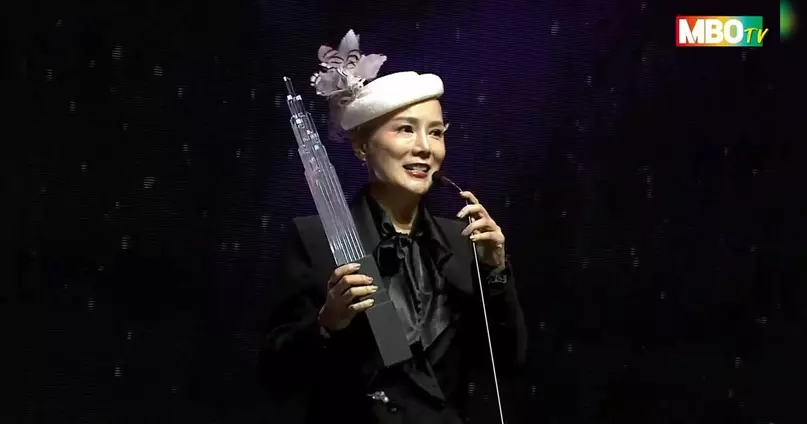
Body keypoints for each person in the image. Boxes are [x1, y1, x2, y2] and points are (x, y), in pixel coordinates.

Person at [260, 29, 527, 424]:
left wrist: (496, 270)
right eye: (405, 129)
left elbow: (508, 362)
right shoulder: (318, 238)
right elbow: (275, 373)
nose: (425, 147)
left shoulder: (462, 241)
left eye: (435, 132)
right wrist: (328, 323)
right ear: (361, 146)